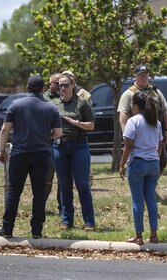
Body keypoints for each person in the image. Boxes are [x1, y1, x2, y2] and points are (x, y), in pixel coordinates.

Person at [0, 75, 62, 239]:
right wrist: (47, 137)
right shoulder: (51, 108)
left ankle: (7, 228)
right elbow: (58, 133)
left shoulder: (16, 105)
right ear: (42, 89)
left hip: (20, 153)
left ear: (27, 88)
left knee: (14, 192)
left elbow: (5, 129)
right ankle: (36, 230)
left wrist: (2, 150)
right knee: (39, 193)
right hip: (41, 154)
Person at [51, 73, 96, 231]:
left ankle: (89, 222)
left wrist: (75, 123)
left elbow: (91, 126)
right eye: (60, 85)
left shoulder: (82, 103)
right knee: (64, 185)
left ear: (72, 85)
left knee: (82, 185)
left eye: (65, 85)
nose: (62, 88)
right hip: (59, 146)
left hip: (79, 146)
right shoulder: (54, 104)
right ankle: (67, 220)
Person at [119, 91, 163, 245]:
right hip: (153, 164)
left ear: (136, 106)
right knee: (151, 199)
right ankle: (154, 234)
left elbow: (128, 145)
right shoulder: (156, 122)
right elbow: (159, 145)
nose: (131, 107)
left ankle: (138, 236)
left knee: (137, 201)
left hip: (137, 163)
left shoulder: (133, 121)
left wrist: (122, 164)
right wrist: (155, 159)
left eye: (132, 104)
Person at [117, 64, 167, 173]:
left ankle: (152, 182)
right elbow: (122, 114)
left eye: (146, 75)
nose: (144, 77)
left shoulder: (156, 92)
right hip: (137, 132)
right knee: (136, 159)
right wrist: (125, 133)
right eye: (141, 75)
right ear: (135, 76)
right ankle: (140, 181)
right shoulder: (128, 94)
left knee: (162, 160)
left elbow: (165, 110)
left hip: (154, 131)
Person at [43, 73, 62, 212]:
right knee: (47, 178)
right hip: (48, 142)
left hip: (63, 142)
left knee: (63, 178)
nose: (60, 85)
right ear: (50, 84)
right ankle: (40, 205)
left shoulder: (66, 96)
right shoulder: (44, 98)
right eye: (57, 82)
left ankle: (63, 207)